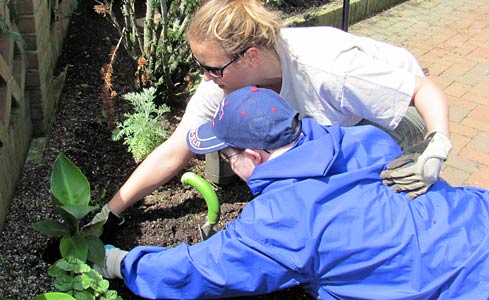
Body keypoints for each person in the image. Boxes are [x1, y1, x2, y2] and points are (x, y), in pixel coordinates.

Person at [95, 86, 489, 300]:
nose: (229, 165)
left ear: (254, 155)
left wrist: (120, 264)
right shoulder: (362, 138)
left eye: (229, 156)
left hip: (456, 286)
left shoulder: (281, 221)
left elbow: (197, 271)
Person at [88, 0, 452, 228]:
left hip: (393, 110)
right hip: (340, 123)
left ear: (250, 56)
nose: (205, 76)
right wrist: (113, 209)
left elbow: (421, 91)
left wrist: (435, 144)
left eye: (211, 67)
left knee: (375, 187)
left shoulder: (328, 68)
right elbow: (175, 148)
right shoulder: (223, 83)